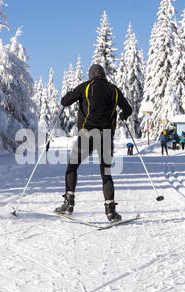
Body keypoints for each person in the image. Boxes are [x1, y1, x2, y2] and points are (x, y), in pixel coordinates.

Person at [54, 64, 133, 223]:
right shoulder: (113, 89)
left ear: (91, 75)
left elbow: (65, 101)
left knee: (72, 167)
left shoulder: (85, 86)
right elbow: (128, 109)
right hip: (106, 135)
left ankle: (68, 204)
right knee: (106, 173)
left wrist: (71, 96)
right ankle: (111, 212)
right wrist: (123, 115)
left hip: (87, 134)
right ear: (103, 75)